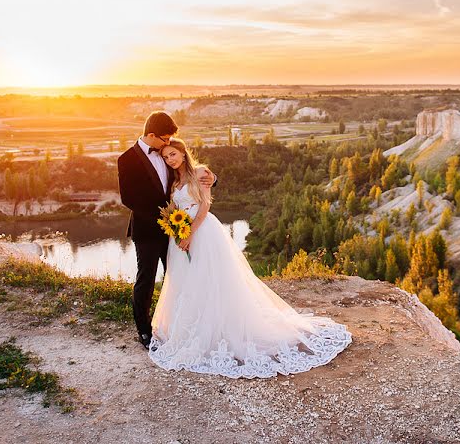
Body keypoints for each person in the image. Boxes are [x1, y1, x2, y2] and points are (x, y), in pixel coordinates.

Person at [149, 138, 352, 378]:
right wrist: (172, 225)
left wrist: (190, 233)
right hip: (181, 237)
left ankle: (220, 330)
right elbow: (174, 208)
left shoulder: (201, 172)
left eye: (172, 154)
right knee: (187, 282)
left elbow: (204, 207)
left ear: (183, 153)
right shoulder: (175, 180)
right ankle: (189, 329)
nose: (169, 159)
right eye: (165, 157)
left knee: (211, 279)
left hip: (201, 233)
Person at [117, 111, 215, 349]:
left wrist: (212, 179)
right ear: (151, 135)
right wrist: (164, 220)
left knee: (180, 277)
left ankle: (183, 324)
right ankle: (144, 330)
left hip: (176, 230)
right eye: (164, 139)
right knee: (146, 279)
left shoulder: (165, 152)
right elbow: (129, 199)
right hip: (149, 230)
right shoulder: (126, 159)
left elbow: (186, 171)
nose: (168, 144)